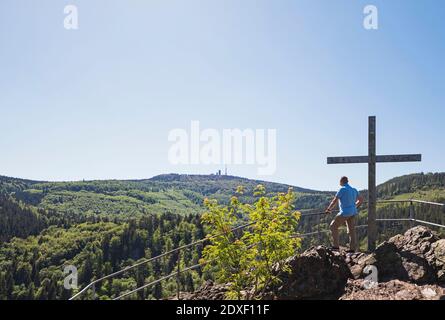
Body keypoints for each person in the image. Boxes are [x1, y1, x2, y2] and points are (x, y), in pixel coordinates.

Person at [325, 176, 363, 253]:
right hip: (353, 212)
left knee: (333, 226)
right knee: (351, 230)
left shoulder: (342, 189)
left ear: (342, 181)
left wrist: (329, 209)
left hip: (345, 212)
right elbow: (361, 200)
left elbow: (334, 200)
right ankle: (352, 249)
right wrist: (354, 206)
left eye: (339, 181)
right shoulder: (354, 189)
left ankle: (335, 247)